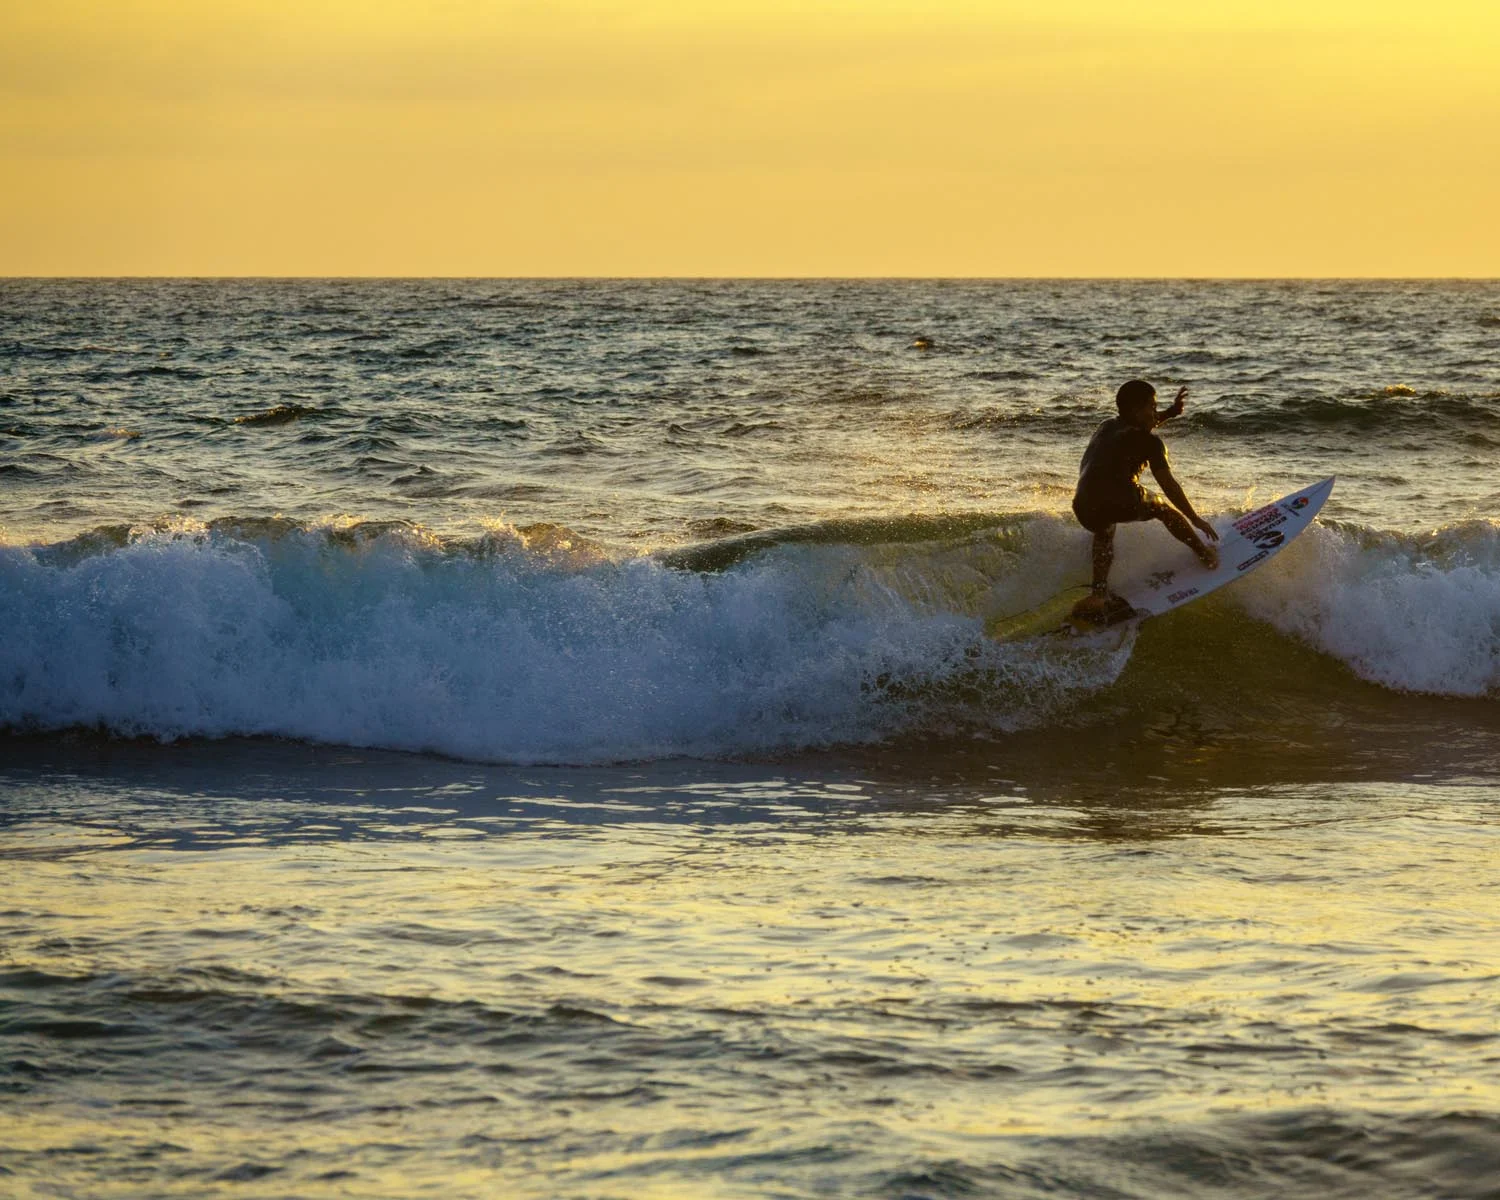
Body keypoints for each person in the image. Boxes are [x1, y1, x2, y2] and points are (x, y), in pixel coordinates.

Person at [1070, 379, 1218, 619]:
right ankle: (1204, 554)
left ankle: (1098, 594)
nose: (1155, 412)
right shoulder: (1151, 444)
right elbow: (1169, 485)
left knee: (1104, 529)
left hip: (1083, 504)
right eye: (1152, 406)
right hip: (1121, 498)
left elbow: (1136, 428)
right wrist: (1195, 518)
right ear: (1135, 410)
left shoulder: (1106, 427)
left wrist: (1171, 413)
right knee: (1163, 508)